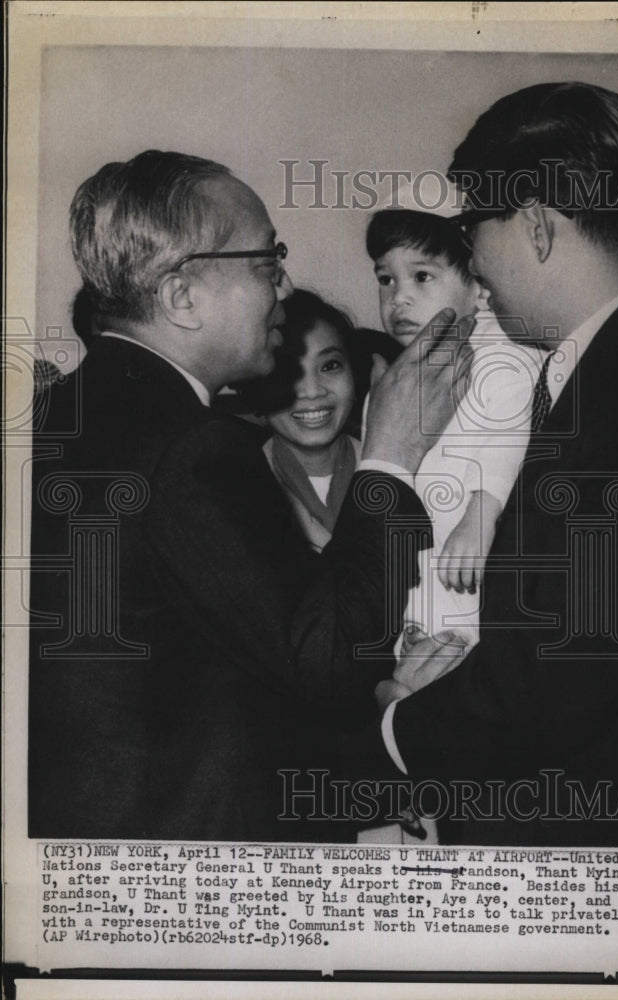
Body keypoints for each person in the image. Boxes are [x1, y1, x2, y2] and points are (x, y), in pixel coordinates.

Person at [27, 150, 472, 841]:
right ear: (181, 295)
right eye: (268, 264)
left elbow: (213, 675)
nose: (285, 287)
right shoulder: (191, 449)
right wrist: (388, 457)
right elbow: (324, 659)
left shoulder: (70, 410)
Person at [375, 82, 618, 846]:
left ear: (537, 226)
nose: (471, 256)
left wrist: (405, 718)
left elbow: (572, 671)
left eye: (476, 224)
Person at [366, 204, 541, 652]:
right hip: (417, 579)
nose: (398, 297)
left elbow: (510, 431)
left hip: (479, 564)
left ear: (478, 287)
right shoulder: (392, 384)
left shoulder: (505, 355)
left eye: (421, 277)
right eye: (386, 279)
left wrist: (480, 515)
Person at [260, 289, 361, 553]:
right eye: (287, 371)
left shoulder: (399, 473)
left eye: (330, 366)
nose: (313, 391)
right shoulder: (236, 490)